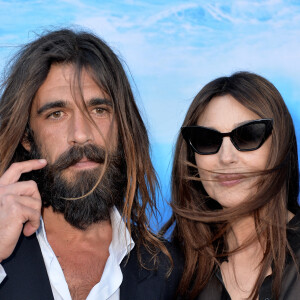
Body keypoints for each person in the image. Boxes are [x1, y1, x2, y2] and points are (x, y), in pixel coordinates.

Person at [0, 28, 182, 300]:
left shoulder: (169, 271)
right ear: (27, 136)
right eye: (56, 114)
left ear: (122, 128)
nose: (81, 134)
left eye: (99, 110)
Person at [163, 71, 300, 299]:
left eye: (248, 136)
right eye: (207, 139)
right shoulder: (173, 270)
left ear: (281, 144)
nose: (226, 157)